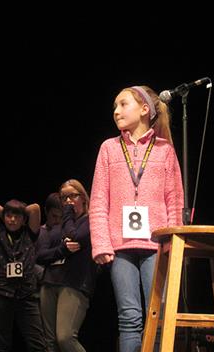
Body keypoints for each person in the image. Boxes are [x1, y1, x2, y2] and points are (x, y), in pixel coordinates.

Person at [89, 85, 184, 352]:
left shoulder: (164, 149)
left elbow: (175, 200)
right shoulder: (108, 148)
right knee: (129, 319)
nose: (116, 111)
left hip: (157, 245)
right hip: (120, 247)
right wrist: (101, 243)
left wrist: (174, 243)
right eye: (114, 108)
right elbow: (98, 199)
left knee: (159, 317)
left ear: (144, 110)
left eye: (123, 104)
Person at [36, 179, 99, 352]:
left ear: (84, 198)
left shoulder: (91, 220)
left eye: (73, 196)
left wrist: (68, 215)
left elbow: (75, 237)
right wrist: (62, 250)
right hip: (50, 282)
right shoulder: (58, 226)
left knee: (65, 338)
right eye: (64, 198)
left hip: (74, 283)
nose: (69, 201)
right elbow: (40, 255)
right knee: (50, 342)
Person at [0, 199, 47, 352]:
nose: (12, 220)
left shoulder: (30, 233)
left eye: (17, 217)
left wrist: (21, 211)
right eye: (8, 216)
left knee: (37, 343)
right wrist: (9, 210)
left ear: (23, 219)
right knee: (1, 344)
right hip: (0, 293)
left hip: (26, 294)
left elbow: (35, 208)